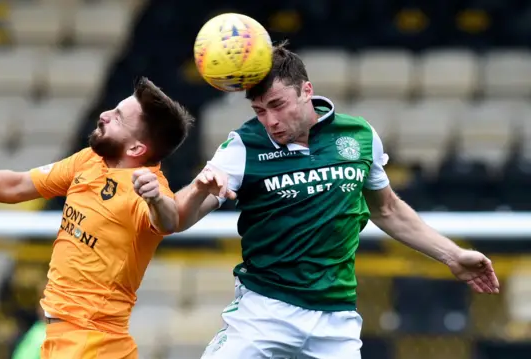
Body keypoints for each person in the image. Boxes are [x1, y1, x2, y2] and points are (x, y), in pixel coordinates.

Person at [175, 43, 500, 359]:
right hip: (263, 311)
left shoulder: (358, 136)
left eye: (277, 104)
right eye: (260, 110)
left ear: (306, 90)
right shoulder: (244, 146)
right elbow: (176, 219)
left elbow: (387, 209)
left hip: (334, 320)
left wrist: (453, 254)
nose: (270, 121)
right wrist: (197, 189)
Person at [0, 77, 194, 359]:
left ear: (135, 149)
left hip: (92, 343)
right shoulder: (89, 161)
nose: (104, 115)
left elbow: (168, 221)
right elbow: (18, 185)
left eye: (118, 118)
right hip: (62, 337)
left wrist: (154, 198)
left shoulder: (146, 187)